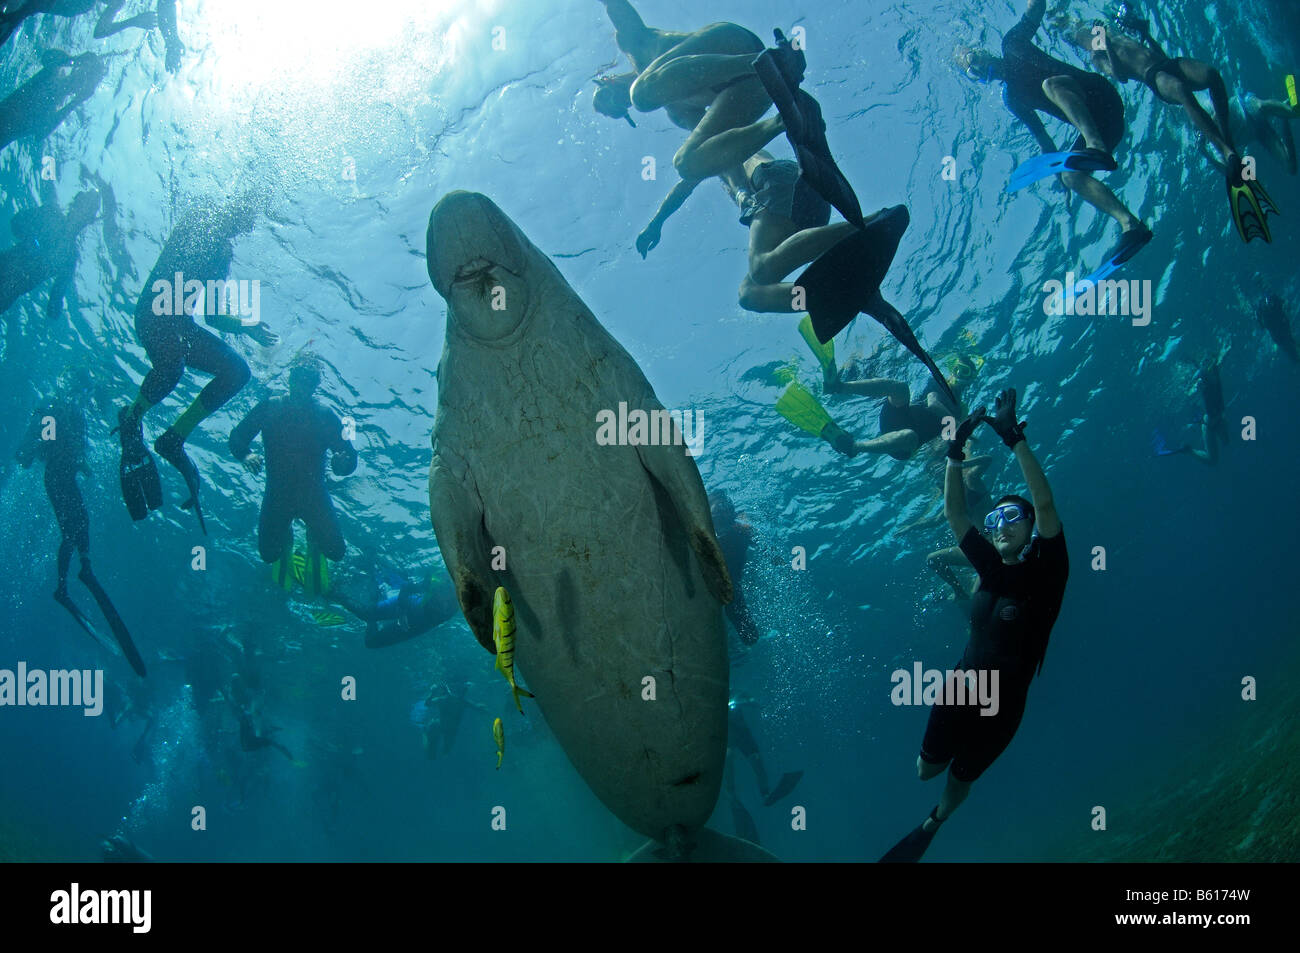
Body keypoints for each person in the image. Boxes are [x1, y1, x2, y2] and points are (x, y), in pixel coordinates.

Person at [882, 388, 1068, 862]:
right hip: (960, 689)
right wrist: (952, 454)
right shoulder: (989, 568)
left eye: (1013, 517)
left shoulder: (1047, 574)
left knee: (961, 779)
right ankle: (934, 808)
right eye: (996, 517)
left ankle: (934, 822)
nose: (1002, 523)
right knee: (924, 771)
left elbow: (1045, 508)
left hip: (1005, 708)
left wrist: (1014, 439)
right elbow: (955, 513)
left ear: (1029, 529)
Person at [957, 0, 1152, 284]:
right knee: (1070, 174)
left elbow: (1036, 8)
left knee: (1051, 85)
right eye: (971, 73)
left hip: (1101, 98)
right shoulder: (1012, 99)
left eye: (974, 60)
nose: (977, 69)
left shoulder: (1012, 42)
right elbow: (1045, 142)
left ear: (983, 51)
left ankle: (1094, 147)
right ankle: (1131, 226)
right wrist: (1063, 182)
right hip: (1102, 127)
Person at [116, 194, 276, 533]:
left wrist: (247, 327)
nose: (251, 225)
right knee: (172, 365)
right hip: (155, 312)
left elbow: (213, 315)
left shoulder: (223, 252)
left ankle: (174, 438)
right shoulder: (203, 214)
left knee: (238, 371)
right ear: (239, 203)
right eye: (251, 213)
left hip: (177, 323)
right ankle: (133, 417)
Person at [1053, 6, 1277, 244]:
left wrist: (1146, 34)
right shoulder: (1097, 56)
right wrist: (1106, 45)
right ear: (1082, 45)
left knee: (1212, 75)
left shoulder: (1118, 33)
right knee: (1181, 92)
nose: (1090, 35)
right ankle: (1226, 151)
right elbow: (1120, 77)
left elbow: (1156, 54)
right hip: (1153, 77)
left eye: (1087, 31)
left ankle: (1227, 144)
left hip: (1168, 64)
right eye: (1084, 37)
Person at [15, 372, 146, 676]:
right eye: (83, 389)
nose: (85, 395)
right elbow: (37, 447)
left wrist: (82, 465)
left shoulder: (75, 413)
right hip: (57, 478)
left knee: (81, 523)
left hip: (66, 476)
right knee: (70, 529)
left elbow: (73, 449)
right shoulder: (55, 408)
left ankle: (85, 568)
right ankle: (63, 587)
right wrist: (36, 450)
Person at [229, 355, 357, 590]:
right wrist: (246, 455)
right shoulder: (270, 407)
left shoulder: (326, 415)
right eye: (298, 380)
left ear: (315, 387)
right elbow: (237, 437)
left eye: (308, 383)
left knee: (337, 552)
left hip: (313, 495)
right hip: (278, 494)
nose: (301, 387)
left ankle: (313, 539)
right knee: (268, 555)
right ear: (290, 379)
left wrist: (342, 466)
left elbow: (350, 456)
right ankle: (287, 538)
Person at [776, 321, 970, 462]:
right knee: (900, 388)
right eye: (959, 370)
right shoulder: (939, 385)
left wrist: (955, 434)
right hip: (902, 416)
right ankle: (838, 386)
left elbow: (951, 440)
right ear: (952, 371)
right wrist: (955, 426)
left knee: (910, 435)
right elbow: (932, 402)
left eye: (967, 373)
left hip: (906, 445)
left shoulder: (961, 407)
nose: (961, 376)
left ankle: (854, 446)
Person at [0, 190, 99, 319]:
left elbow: (54, 303)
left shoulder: (70, 257)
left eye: (87, 210)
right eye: (83, 204)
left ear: (89, 220)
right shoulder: (50, 216)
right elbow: (16, 224)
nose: (81, 213)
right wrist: (31, 235)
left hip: (7, 293)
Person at [0, 50, 104, 151]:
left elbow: (40, 134)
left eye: (85, 80)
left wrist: (76, 102)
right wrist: (74, 59)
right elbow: (46, 56)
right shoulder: (55, 71)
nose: (80, 80)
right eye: (83, 73)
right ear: (79, 67)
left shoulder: (55, 108)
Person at [336, 569, 458, 648]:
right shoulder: (437, 580)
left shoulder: (461, 598)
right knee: (365, 614)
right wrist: (402, 611)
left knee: (371, 642)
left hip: (418, 625)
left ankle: (375, 599)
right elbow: (406, 588)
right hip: (410, 605)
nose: (444, 589)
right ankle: (334, 593)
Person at [708, 491, 761, 646]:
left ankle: (743, 642)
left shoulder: (741, 527)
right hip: (723, 578)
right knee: (733, 603)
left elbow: (761, 543)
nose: (724, 512)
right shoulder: (734, 528)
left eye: (727, 507)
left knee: (735, 604)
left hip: (731, 579)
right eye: (719, 509)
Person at [1154, 359, 1230, 466]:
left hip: (1212, 419)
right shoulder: (1205, 379)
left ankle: (1189, 450)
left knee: (1223, 445)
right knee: (1215, 457)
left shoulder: (1209, 379)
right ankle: (1189, 450)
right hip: (1210, 421)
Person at [1254, 292, 1297, 362]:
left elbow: (1261, 326)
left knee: (1288, 342)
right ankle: (1294, 357)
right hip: (1279, 327)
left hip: (1279, 327)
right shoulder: (1261, 309)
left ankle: (1294, 357)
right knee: (1288, 342)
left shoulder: (1262, 307)